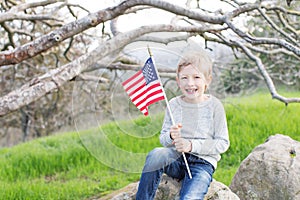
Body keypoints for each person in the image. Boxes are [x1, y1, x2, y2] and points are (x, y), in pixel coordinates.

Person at [136, 50, 230, 200]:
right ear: (178, 81)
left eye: (196, 77)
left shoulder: (214, 106)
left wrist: (191, 145)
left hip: (202, 164)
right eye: (184, 78)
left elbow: (222, 143)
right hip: (177, 159)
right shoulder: (174, 104)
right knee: (156, 154)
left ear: (208, 80)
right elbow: (163, 139)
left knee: (190, 197)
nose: (190, 83)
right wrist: (171, 136)